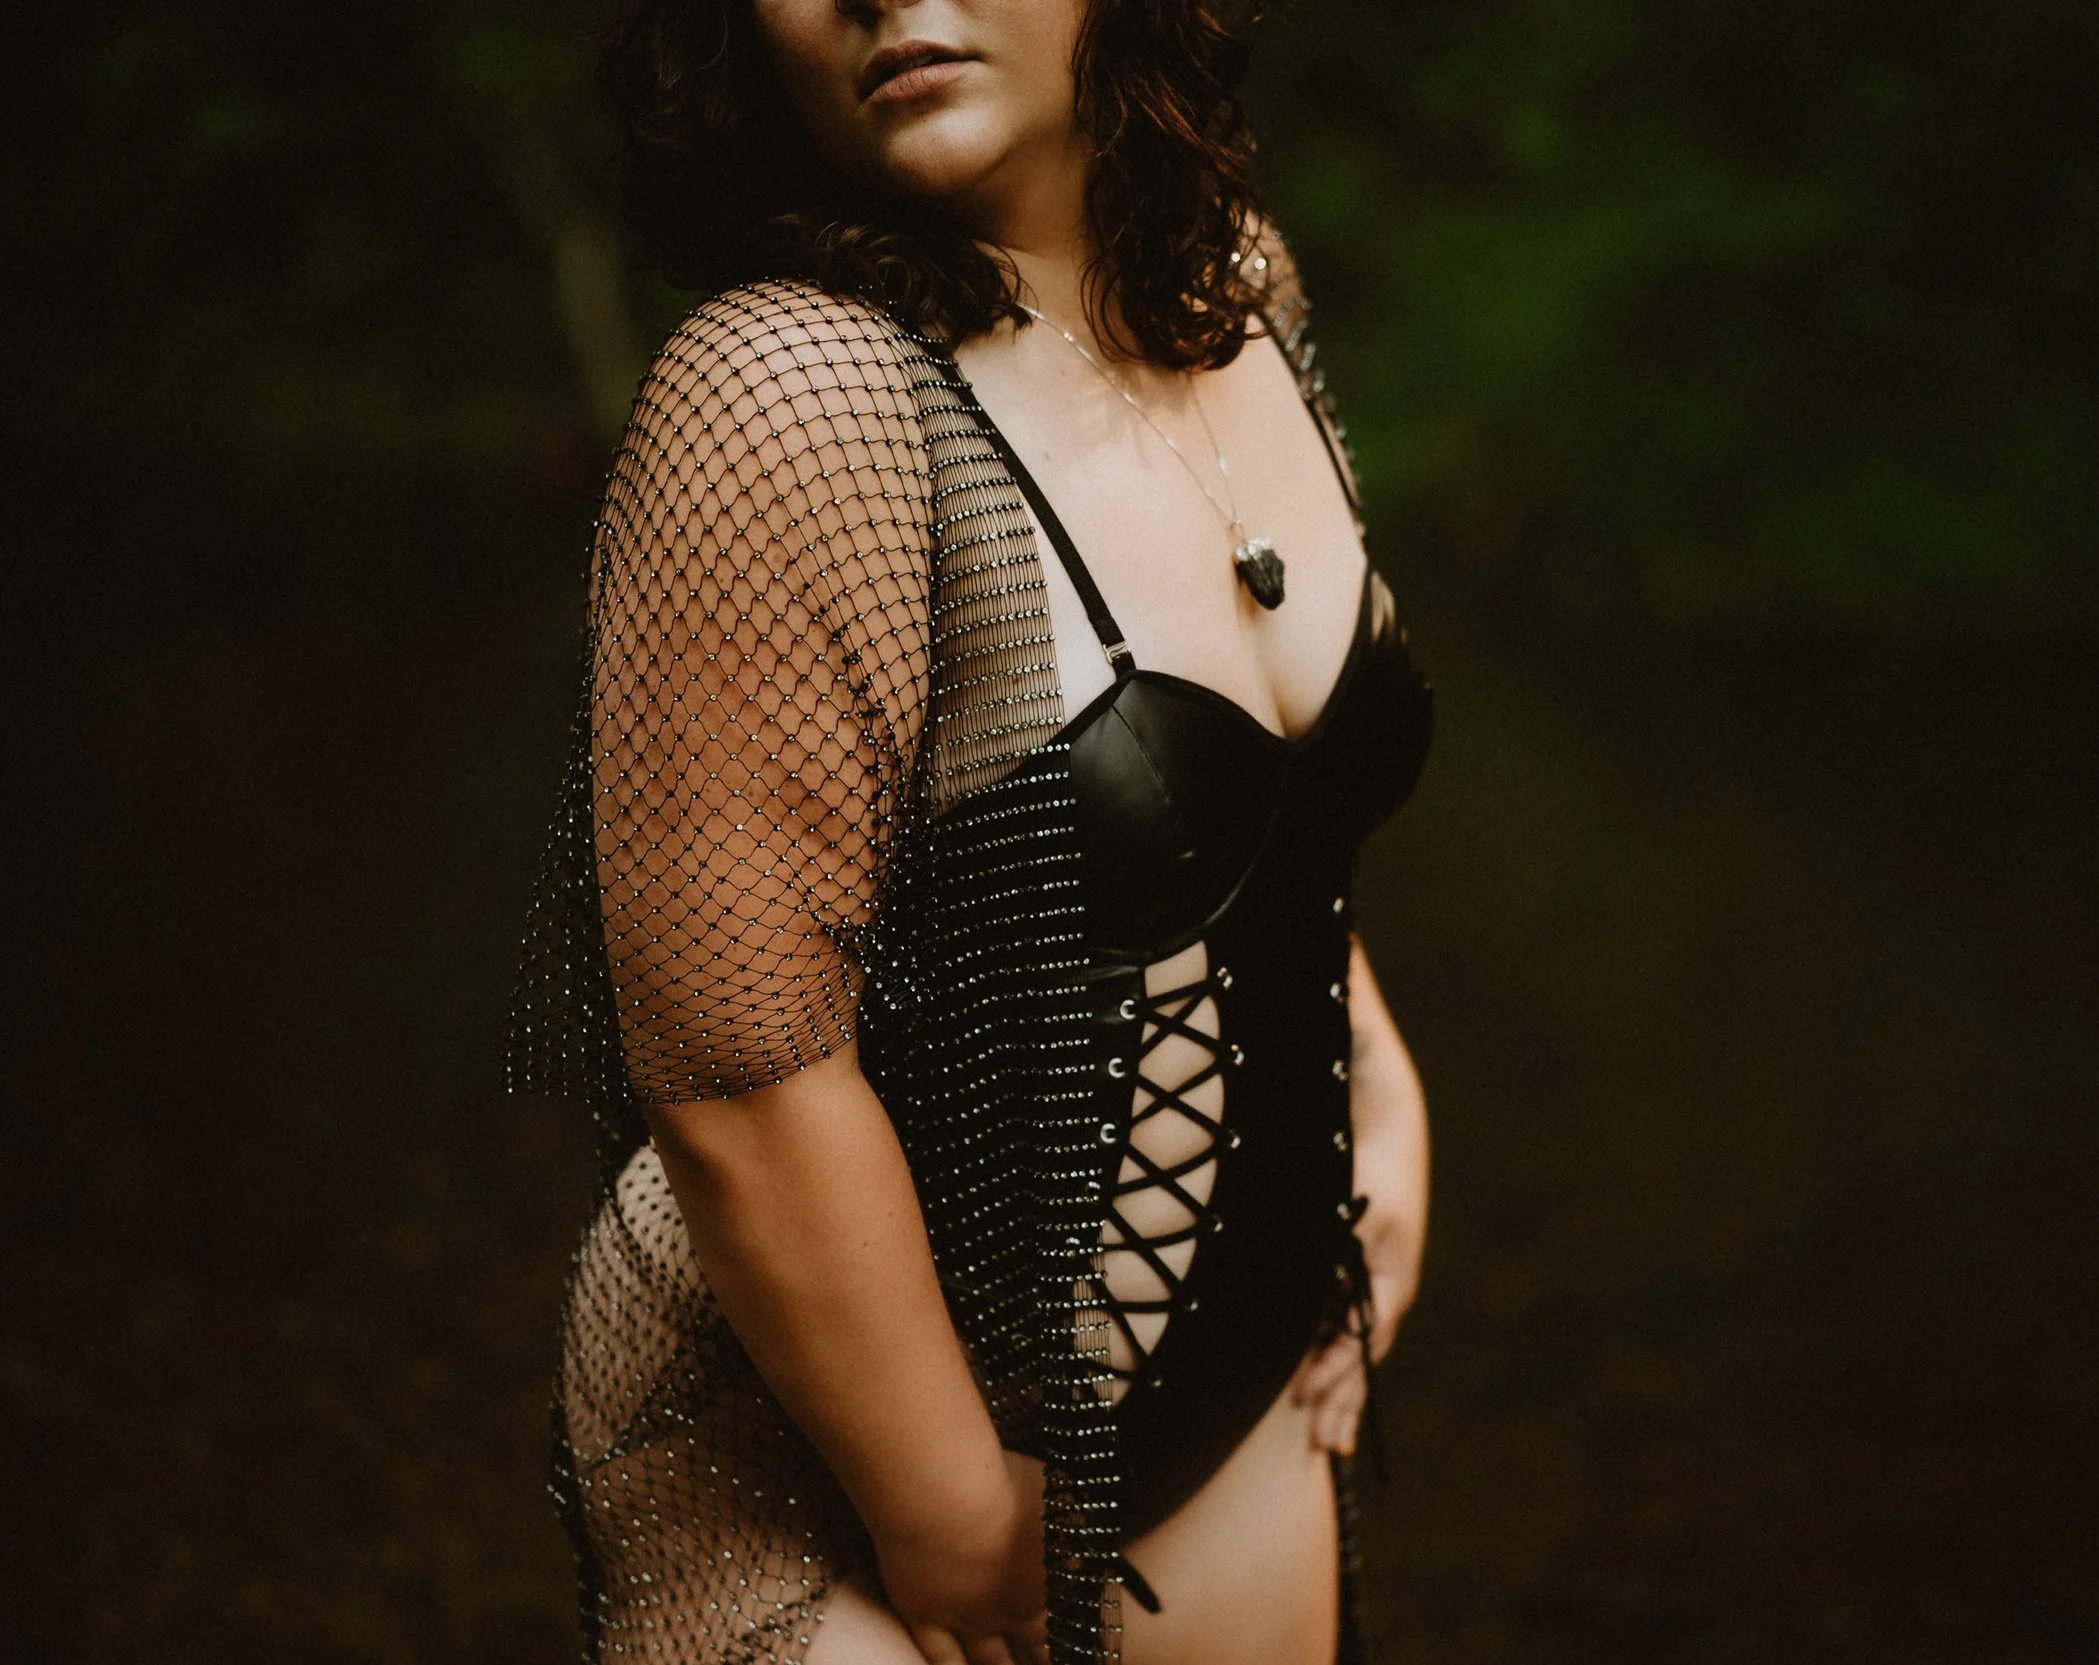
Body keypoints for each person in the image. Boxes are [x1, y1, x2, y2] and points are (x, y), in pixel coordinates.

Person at [506, 3, 1433, 1662]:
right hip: (849, 1498)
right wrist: (947, 1515)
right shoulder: (788, 395)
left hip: (1242, 1400)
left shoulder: (1234, 282)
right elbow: (734, 1068)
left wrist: (1372, 1065)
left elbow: (1267, 816)